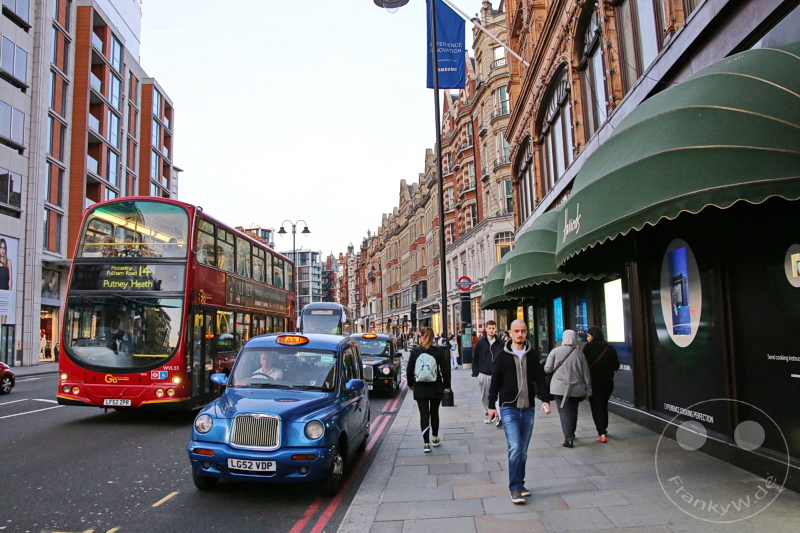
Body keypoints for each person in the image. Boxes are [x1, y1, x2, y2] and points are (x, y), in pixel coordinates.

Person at [487, 319, 552, 504]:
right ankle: (514, 488)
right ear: (510, 332)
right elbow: (495, 382)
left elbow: (540, 379)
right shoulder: (502, 355)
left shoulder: (532, 355)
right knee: (515, 447)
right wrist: (492, 406)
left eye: (523, 331)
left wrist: (546, 400)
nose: (520, 334)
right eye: (516, 331)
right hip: (508, 408)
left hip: (528, 408)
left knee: (522, 450)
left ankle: (520, 484)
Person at [544, 329, 592, 448]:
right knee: (573, 411)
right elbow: (586, 374)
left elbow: (547, 369)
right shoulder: (579, 354)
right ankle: (571, 433)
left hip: (558, 387)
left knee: (564, 412)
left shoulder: (555, 351)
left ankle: (568, 438)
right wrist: (589, 389)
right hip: (576, 388)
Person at [406, 327, 451, 453]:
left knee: (424, 414)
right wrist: (446, 385)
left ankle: (426, 443)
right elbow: (445, 370)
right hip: (435, 386)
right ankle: (435, 438)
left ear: (422, 336)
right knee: (434, 412)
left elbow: (409, 370)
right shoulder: (438, 351)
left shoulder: (415, 351)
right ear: (433, 338)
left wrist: (410, 384)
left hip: (420, 387)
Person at [583, 326, 620, 443]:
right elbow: (616, 366)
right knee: (603, 404)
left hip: (594, 382)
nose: (587, 338)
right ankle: (604, 427)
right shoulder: (609, 348)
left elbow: (583, 365)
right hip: (608, 382)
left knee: (596, 406)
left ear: (593, 336)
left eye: (588, 336)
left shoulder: (588, 348)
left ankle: (601, 432)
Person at [473, 320, 504, 425]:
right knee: (485, 396)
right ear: (486, 329)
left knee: (498, 396)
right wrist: (477, 373)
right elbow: (475, 357)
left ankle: (497, 416)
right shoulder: (480, 342)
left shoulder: (500, 343)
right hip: (484, 373)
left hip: (497, 374)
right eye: (489, 328)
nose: (491, 330)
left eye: (493, 328)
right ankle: (488, 414)